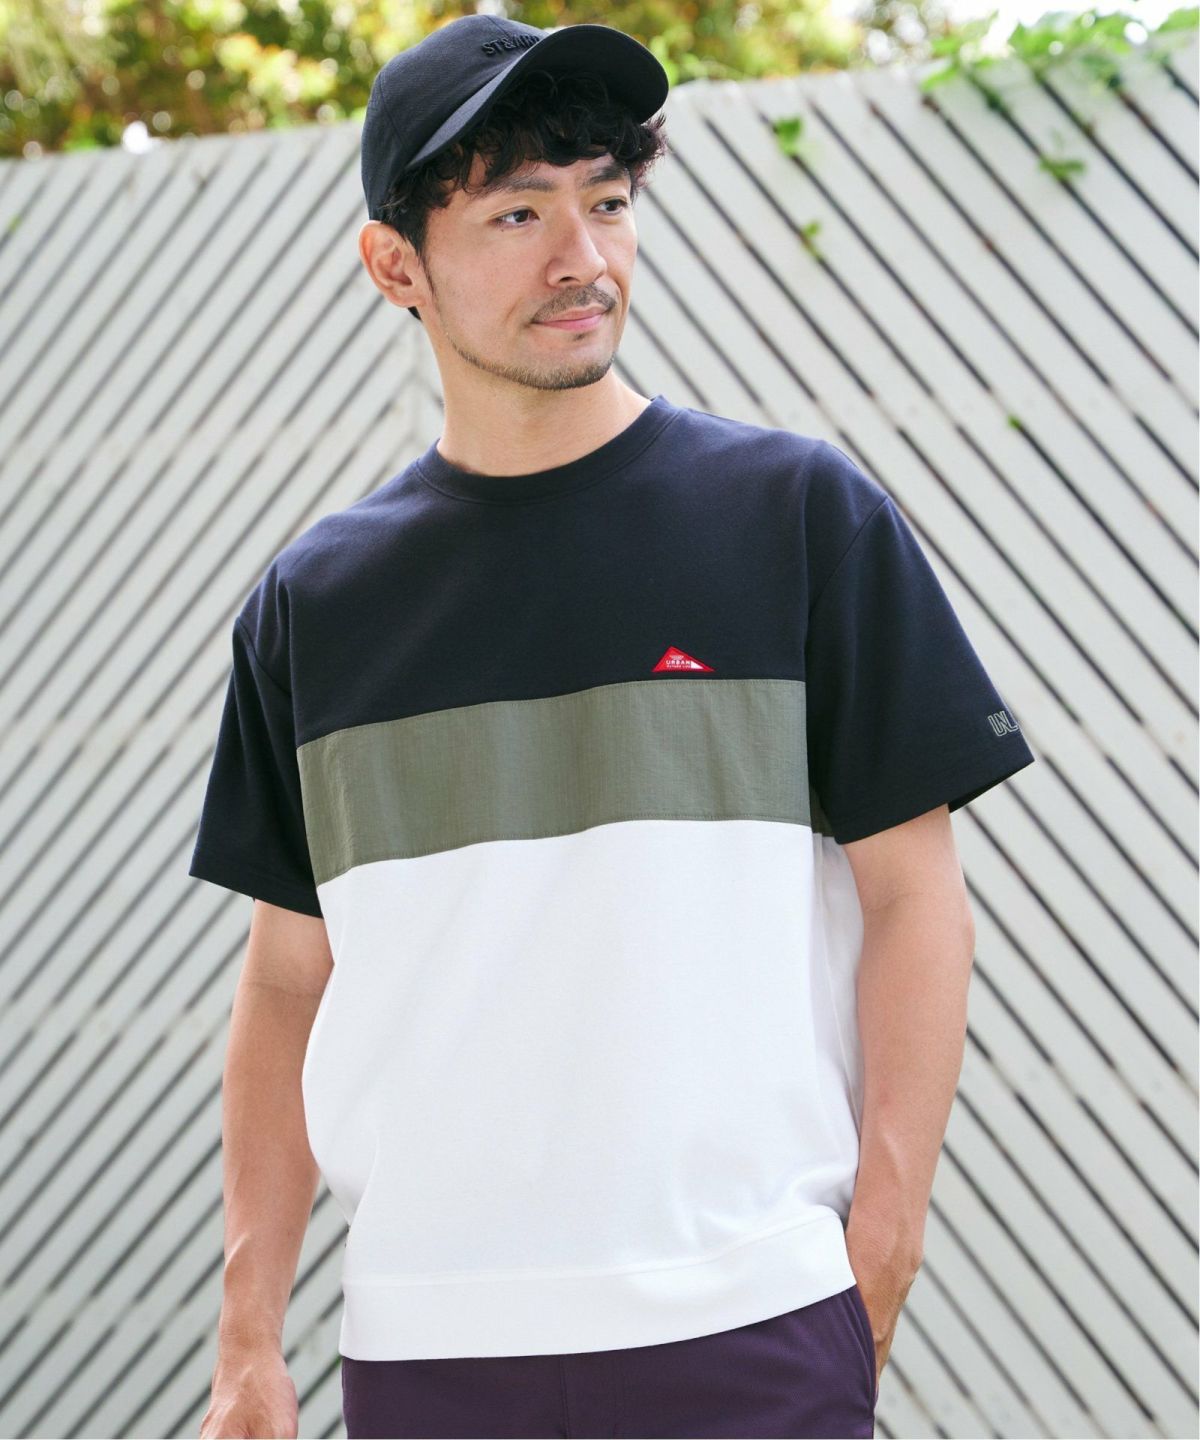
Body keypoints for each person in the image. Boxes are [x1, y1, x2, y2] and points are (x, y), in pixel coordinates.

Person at [189, 14, 1037, 1440]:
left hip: (752, 1325)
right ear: (395, 264)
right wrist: (247, 1333)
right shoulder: (315, 607)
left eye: (609, 200)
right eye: (518, 213)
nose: (583, 258)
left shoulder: (798, 519)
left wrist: (878, 1251)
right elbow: (286, 983)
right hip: (431, 1352)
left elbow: (915, 897)